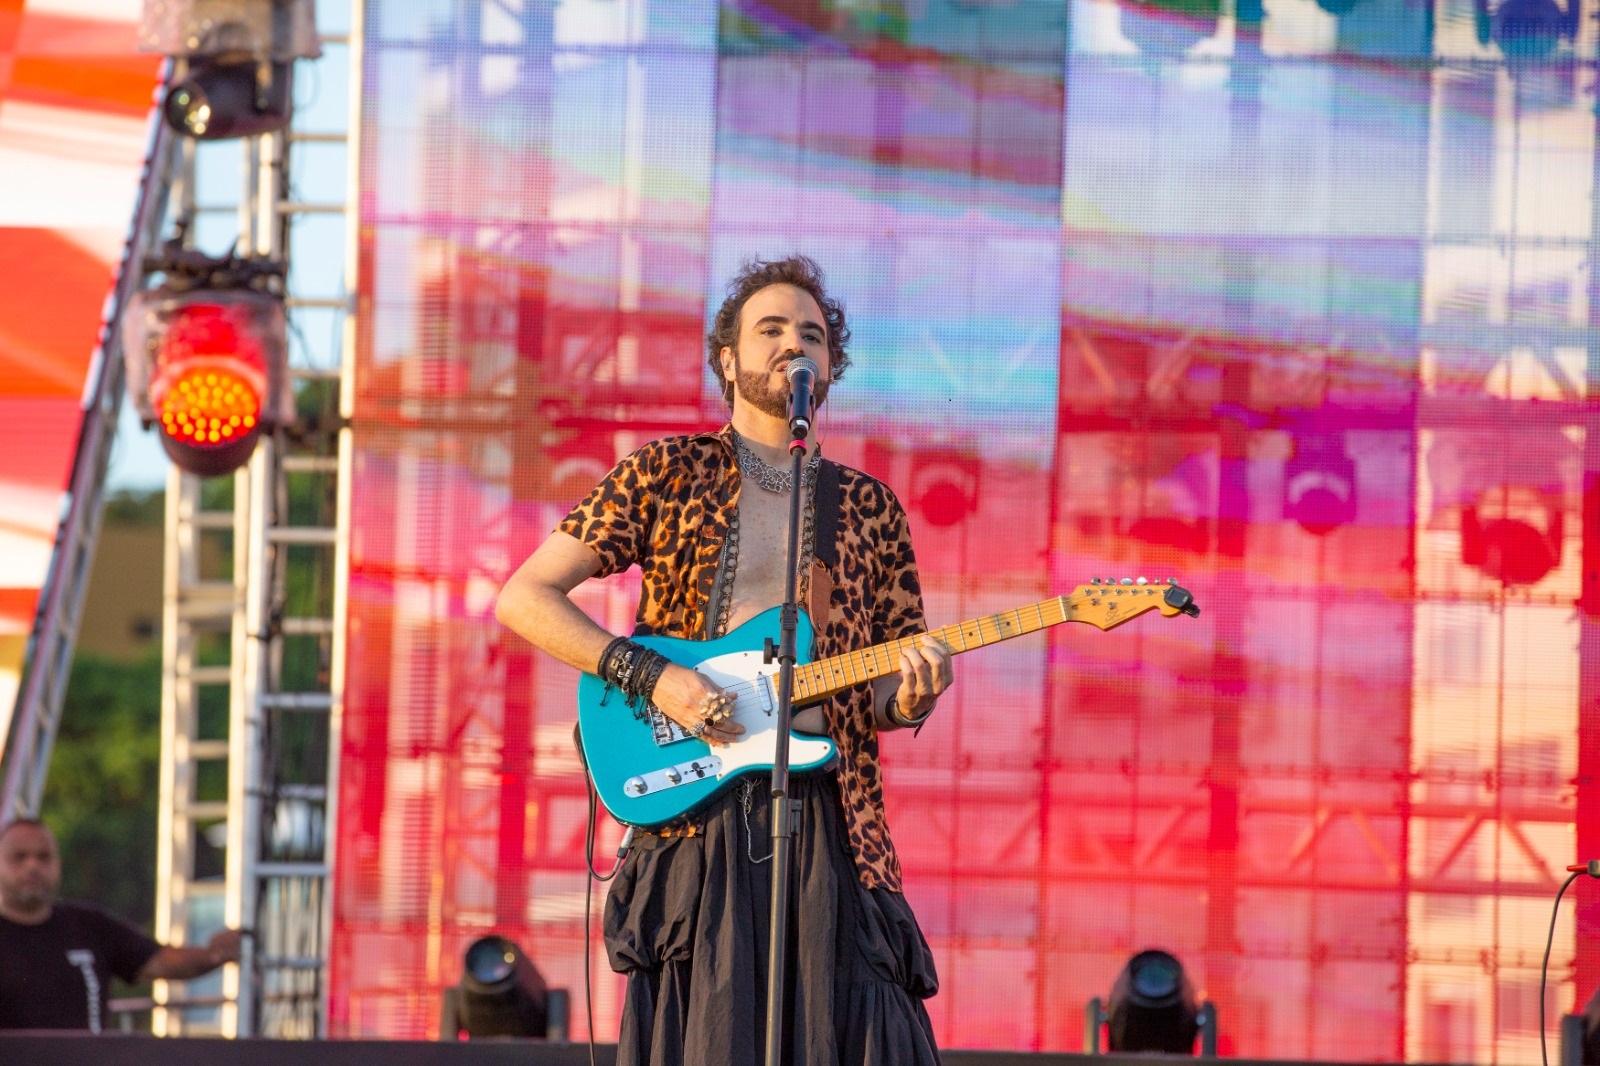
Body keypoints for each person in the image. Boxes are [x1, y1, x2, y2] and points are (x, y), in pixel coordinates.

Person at [496, 254, 953, 1065]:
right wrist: (656, 678)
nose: (792, 344)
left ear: (832, 368)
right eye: (770, 330)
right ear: (728, 361)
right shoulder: (667, 472)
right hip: (695, 822)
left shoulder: (871, 508)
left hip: (834, 826)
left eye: (811, 334)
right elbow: (526, 597)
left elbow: (883, 687)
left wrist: (911, 698)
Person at [0, 817, 242, 1032]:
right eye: (18, 857)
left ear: (58, 863)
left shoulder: (88, 925)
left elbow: (160, 962)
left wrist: (214, 954)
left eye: (44, 857)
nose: (32, 866)